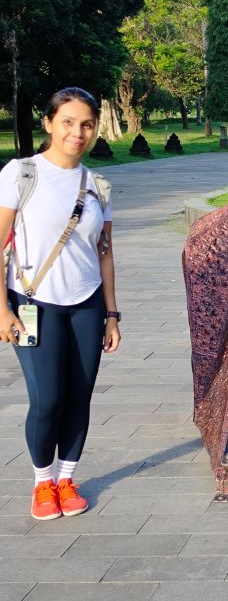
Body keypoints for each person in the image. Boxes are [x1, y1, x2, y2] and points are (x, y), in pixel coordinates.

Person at [0, 87, 121, 521]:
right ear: (49, 123)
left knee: (79, 395)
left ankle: (67, 479)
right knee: (47, 398)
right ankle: (41, 483)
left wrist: (111, 314)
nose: (78, 132)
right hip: (34, 303)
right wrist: (2, 308)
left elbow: (104, 253)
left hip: (86, 304)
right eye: (68, 121)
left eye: (87, 123)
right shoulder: (21, 174)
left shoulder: (98, 185)